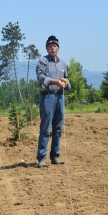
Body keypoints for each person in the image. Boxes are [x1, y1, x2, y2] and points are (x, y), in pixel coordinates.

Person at [35, 35, 71, 168]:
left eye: (55, 46)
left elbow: (66, 79)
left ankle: (55, 156)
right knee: (45, 129)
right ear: (47, 48)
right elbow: (40, 77)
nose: (53, 48)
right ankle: (41, 158)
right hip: (48, 97)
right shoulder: (43, 61)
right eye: (50, 46)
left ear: (58, 48)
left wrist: (65, 83)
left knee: (57, 128)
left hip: (60, 97)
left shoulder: (63, 63)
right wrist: (55, 81)